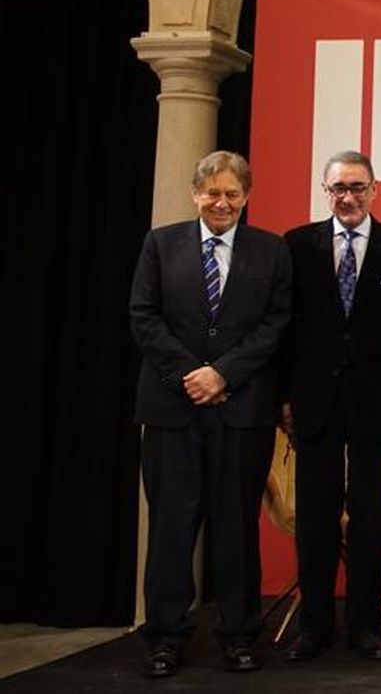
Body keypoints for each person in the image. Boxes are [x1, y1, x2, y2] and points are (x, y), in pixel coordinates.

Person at [129, 150, 293, 678]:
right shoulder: (161, 245)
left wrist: (223, 374)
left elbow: (276, 323)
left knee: (236, 530)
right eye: (213, 193)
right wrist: (192, 374)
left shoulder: (271, 250)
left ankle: (239, 636)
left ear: (246, 196)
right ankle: (165, 638)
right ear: (195, 193)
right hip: (172, 411)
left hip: (242, 413)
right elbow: (144, 317)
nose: (222, 203)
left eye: (232, 194)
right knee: (172, 529)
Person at [280, 150, 381, 662]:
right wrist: (284, 396)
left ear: (374, 190)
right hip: (313, 404)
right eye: (338, 187)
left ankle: (363, 626)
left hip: (377, 402)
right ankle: (314, 626)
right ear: (325, 191)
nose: (348, 197)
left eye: (358, 187)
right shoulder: (297, 245)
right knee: (315, 518)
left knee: (372, 517)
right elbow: (283, 328)